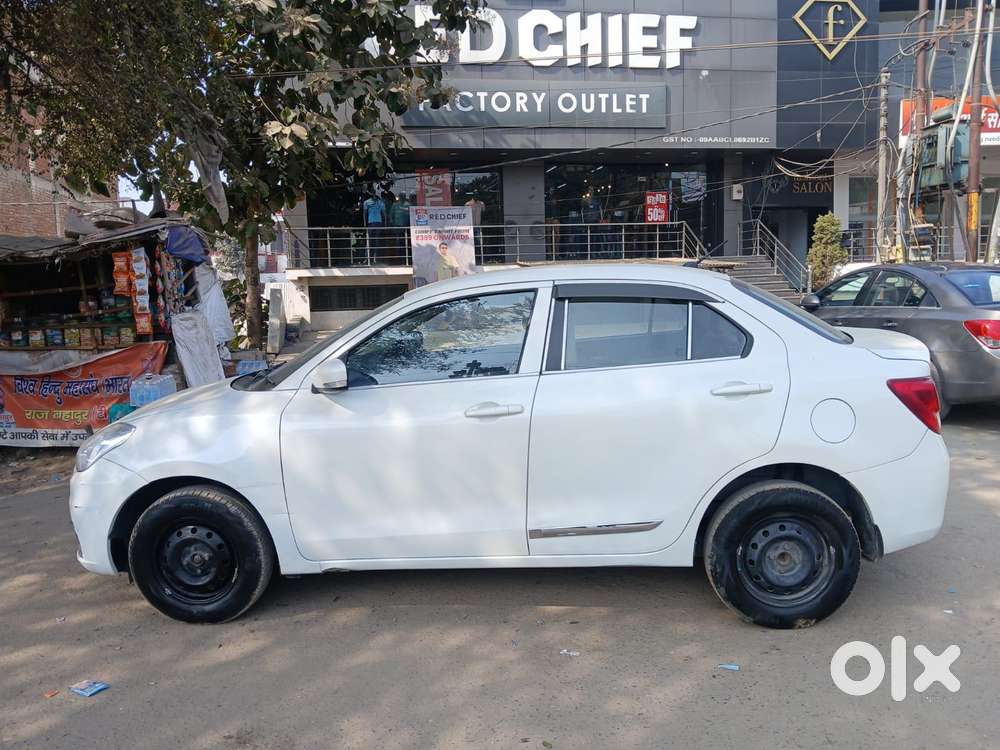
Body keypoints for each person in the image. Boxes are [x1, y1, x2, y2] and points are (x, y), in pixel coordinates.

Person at [362, 192, 386, 263]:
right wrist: (364, 223)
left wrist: (385, 223)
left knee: (376, 240)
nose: (374, 194)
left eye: (375, 193)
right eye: (373, 193)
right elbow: (364, 213)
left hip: (378, 223)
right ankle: (367, 257)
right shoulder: (367, 202)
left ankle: (375, 257)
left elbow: (384, 213)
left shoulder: (380, 202)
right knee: (369, 240)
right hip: (370, 223)